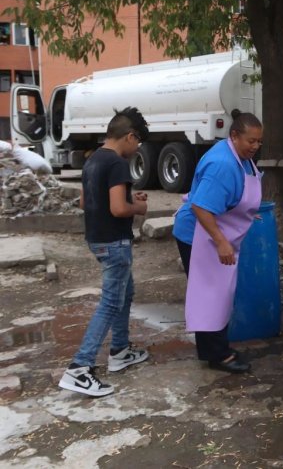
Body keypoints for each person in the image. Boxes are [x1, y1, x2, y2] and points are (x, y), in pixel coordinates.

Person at [58, 107, 150, 397]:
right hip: (115, 243)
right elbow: (119, 209)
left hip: (97, 239)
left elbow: (87, 202)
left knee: (126, 293)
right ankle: (80, 368)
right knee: (111, 302)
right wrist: (138, 207)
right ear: (130, 136)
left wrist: (127, 197)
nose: (137, 149)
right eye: (138, 143)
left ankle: (120, 351)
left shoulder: (94, 160)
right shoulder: (119, 164)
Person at [172, 110, 264, 374]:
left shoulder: (240, 158)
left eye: (259, 142)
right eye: (251, 141)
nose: (255, 147)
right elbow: (201, 207)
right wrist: (221, 242)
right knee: (210, 295)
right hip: (199, 234)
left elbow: (235, 194)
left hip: (216, 229)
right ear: (234, 136)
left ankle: (213, 348)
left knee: (219, 293)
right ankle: (217, 355)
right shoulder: (222, 164)